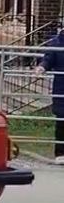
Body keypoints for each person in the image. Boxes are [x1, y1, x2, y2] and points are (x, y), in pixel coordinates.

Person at [35, 29, 64, 164]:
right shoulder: (56, 42)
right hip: (61, 87)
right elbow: (48, 59)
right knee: (62, 121)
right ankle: (60, 153)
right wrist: (42, 67)